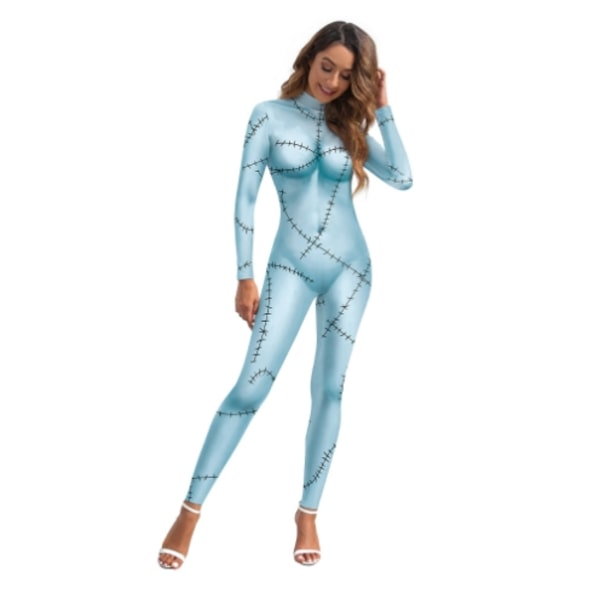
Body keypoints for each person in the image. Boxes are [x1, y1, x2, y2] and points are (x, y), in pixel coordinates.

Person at [158, 20, 412, 569]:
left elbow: (403, 176)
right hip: (289, 267)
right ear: (310, 57)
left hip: (351, 270)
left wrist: (383, 108)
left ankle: (308, 513)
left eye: (345, 75)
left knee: (330, 391)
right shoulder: (268, 116)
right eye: (327, 67)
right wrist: (244, 275)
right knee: (251, 386)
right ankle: (190, 510)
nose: (333, 82)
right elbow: (245, 197)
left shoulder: (348, 124)